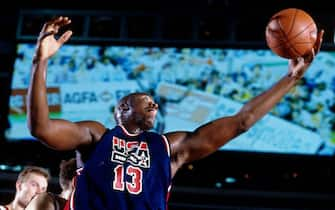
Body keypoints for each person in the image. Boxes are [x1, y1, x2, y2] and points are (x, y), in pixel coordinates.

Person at [26, 16, 324, 210]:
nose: (155, 105)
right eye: (147, 100)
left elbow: (241, 122)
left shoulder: (170, 147)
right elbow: (41, 128)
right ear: (123, 109)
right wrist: (40, 62)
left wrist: (291, 78)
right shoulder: (95, 135)